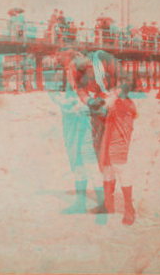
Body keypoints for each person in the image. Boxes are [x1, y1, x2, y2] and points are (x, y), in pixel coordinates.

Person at [48, 50, 109, 225]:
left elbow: (101, 94)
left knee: (89, 160)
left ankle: (102, 207)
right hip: (69, 120)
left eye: (72, 63)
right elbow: (51, 91)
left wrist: (90, 104)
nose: (70, 66)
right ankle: (80, 204)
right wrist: (61, 101)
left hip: (86, 121)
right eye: (67, 64)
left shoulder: (89, 74)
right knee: (76, 160)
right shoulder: (62, 74)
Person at [99, 73, 137, 225]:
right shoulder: (117, 101)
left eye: (119, 87)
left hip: (120, 141)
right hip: (109, 137)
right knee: (107, 170)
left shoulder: (125, 103)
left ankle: (129, 208)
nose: (115, 89)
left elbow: (107, 104)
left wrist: (110, 96)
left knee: (121, 169)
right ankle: (109, 204)